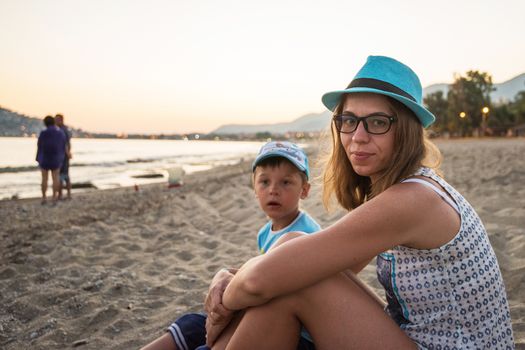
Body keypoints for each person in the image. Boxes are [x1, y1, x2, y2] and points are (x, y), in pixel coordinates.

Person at [207, 56, 515, 349]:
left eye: (378, 122)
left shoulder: (412, 201)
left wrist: (223, 302)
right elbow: (323, 265)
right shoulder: (409, 189)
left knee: (291, 285)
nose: (358, 136)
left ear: (406, 130)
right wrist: (230, 277)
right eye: (349, 120)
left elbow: (262, 281)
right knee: (293, 242)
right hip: (421, 338)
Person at [141, 141, 321, 350]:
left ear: (305, 190)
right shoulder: (264, 233)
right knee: (190, 324)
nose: (273, 190)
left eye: (285, 183)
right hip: (261, 308)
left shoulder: (308, 234)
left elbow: (277, 290)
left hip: (294, 330)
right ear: (254, 188)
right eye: (264, 182)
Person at [36, 115, 66, 204]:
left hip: (45, 158)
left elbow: (39, 145)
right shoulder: (60, 133)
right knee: (55, 178)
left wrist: (38, 158)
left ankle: (44, 198)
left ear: (45, 123)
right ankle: (54, 197)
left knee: (44, 179)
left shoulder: (43, 133)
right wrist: (61, 157)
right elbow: (63, 146)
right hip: (56, 159)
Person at [55, 113, 72, 200]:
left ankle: (61, 195)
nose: (55, 121)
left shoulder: (62, 130)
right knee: (64, 175)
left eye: (57, 119)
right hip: (63, 155)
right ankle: (66, 194)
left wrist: (67, 153)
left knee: (62, 175)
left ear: (61, 120)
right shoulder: (63, 129)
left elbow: (65, 143)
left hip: (63, 156)